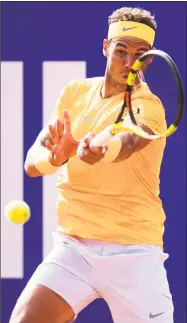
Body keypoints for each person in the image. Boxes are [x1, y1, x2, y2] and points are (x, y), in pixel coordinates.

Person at [10, 7, 174, 323]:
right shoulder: (75, 92)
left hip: (134, 254)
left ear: (149, 59)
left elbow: (128, 141)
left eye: (140, 55)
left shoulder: (149, 106)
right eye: (121, 51)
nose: (129, 63)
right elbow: (32, 165)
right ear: (105, 47)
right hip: (75, 247)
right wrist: (57, 157)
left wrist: (102, 150)